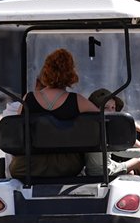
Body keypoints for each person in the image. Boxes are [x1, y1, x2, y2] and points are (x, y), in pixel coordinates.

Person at [5, 48, 99, 177]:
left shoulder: (28, 98)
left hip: (27, 166)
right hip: (67, 166)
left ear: (46, 71)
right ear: (71, 73)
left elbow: (17, 135)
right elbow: (105, 119)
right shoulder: (77, 101)